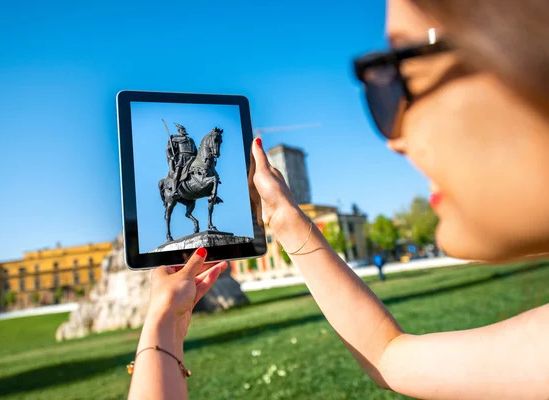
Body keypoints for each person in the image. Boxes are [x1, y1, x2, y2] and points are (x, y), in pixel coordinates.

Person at [129, 1, 549, 398]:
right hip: (185, 172)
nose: (394, 139)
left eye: (406, 75)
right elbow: (388, 356)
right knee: (182, 178)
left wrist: (161, 323)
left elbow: (390, 356)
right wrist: (283, 220)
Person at [166, 123, 197, 197]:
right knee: (177, 173)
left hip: (192, 158)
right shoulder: (175, 138)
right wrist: (171, 156)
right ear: (179, 130)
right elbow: (168, 149)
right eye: (182, 129)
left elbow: (195, 150)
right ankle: (174, 190)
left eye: (184, 129)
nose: (184, 130)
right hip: (182, 158)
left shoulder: (191, 139)